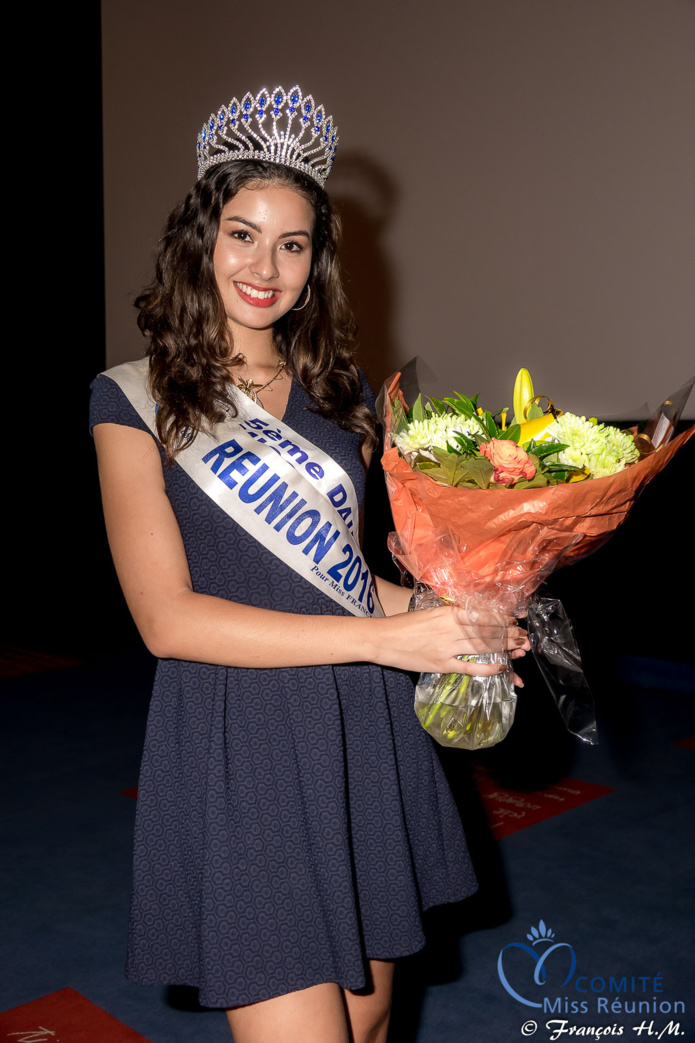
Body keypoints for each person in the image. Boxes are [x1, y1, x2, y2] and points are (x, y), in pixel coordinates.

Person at [90, 84, 529, 1043]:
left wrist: (461, 610)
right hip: (237, 738)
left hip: (362, 730)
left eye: (292, 244)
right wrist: (391, 636)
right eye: (242, 232)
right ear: (198, 239)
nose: (265, 265)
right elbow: (166, 618)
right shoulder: (131, 399)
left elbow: (342, 572)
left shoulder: (342, 394)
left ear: (314, 261)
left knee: (369, 1023)